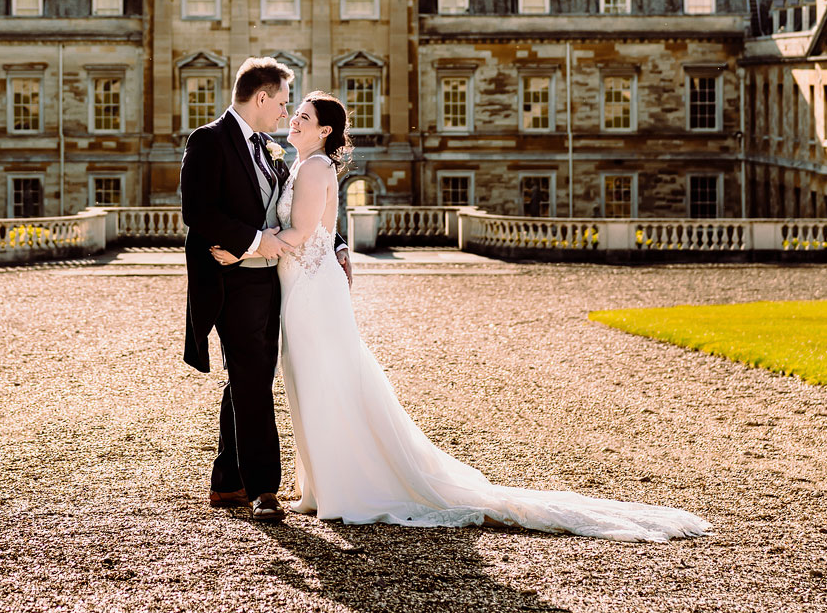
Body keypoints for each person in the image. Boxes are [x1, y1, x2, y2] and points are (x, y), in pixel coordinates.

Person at [213, 90, 710, 542]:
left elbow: (301, 234)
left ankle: (347, 489)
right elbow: (321, 228)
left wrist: (244, 252)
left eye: (303, 116)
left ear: (324, 131)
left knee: (325, 381)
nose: (293, 119)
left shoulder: (316, 167)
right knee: (314, 382)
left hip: (310, 293)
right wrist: (322, 244)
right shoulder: (298, 166)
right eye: (294, 112)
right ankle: (323, 485)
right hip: (303, 288)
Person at [178, 57, 348, 522]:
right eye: (282, 102)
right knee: (254, 379)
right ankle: (264, 489)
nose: (285, 111)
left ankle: (227, 481)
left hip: (273, 281)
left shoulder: (268, 148)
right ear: (261, 98)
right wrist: (253, 245)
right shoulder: (209, 141)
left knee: (246, 378)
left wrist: (335, 243)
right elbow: (199, 213)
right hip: (234, 280)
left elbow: (300, 215)